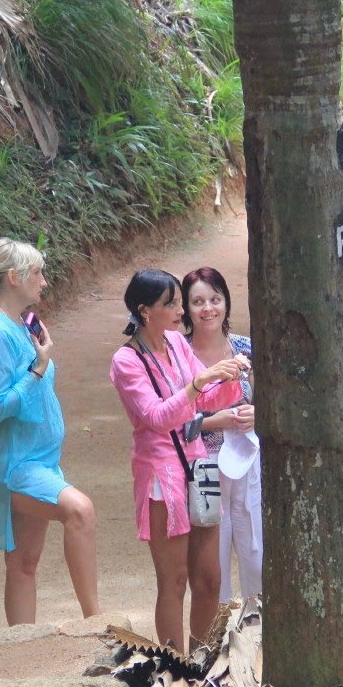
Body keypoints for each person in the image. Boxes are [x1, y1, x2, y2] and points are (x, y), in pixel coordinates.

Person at [110, 268, 247, 652]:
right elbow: (156, 417)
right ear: (144, 310)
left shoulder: (176, 343)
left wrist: (230, 378)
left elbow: (202, 404)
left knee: (209, 578)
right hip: (161, 476)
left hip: (199, 468)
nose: (179, 311)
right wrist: (201, 382)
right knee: (173, 580)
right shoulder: (126, 361)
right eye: (170, 303)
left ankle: (202, 662)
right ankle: (175, 668)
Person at [0, 238, 100, 626]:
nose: (44, 282)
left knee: (24, 563)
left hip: (36, 459)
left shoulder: (18, 323)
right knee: (81, 511)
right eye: (38, 273)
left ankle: (19, 647)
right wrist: (37, 368)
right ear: (13, 278)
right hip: (13, 464)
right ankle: (95, 623)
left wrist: (39, 355)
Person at [182, 267, 260, 601]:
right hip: (203, 467)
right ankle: (219, 641)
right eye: (198, 301)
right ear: (185, 308)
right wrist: (219, 419)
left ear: (226, 302)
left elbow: (268, 400)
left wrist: (257, 416)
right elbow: (174, 423)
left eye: (215, 299)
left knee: (256, 554)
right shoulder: (176, 355)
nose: (208, 308)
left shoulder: (246, 347)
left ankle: (260, 634)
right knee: (213, 567)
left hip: (248, 460)